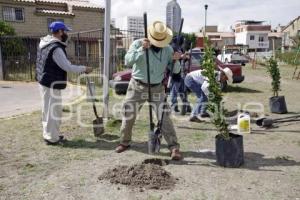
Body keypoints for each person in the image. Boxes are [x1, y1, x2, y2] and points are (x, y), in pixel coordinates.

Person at [115, 21, 182, 160]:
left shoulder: (168, 49)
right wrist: (141, 50)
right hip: (137, 86)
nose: (158, 45)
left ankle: (174, 147)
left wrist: (177, 61)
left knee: (164, 117)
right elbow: (127, 61)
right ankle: (125, 142)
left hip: (157, 87)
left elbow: (175, 70)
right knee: (128, 114)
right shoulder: (138, 44)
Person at [36, 21, 92, 145]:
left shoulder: (45, 43)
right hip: (50, 83)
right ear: (60, 32)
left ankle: (50, 134)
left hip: (44, 81)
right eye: (65, 31)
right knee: (53, 111)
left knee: (47, 110)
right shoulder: (56, 48)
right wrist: (84, 69)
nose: (67, 34)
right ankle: (52, 138)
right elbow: (68, 67)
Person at [169, 36, 191, 113]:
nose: (183, 43)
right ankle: (174, 107)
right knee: (174, 92)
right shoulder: (172, 47)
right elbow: (173, 58)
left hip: (181, 74)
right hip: (175, 74)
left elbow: (181, 60)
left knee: (183, 92)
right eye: (183, 40)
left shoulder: (180, 48)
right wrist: (182, 56)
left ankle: (187, 107)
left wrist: (185, 58)